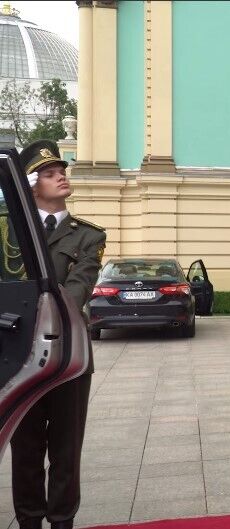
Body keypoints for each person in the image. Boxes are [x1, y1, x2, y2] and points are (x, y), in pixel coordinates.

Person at [11, 140, 106, 529]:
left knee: (66, 447)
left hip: (68, 353)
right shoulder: (11, 229)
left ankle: (62, 520)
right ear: (33, 185)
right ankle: (29, 520)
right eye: (50, 174)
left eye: (62, 171)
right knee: (26, 445)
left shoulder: (88, 235)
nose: (61, 177)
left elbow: (80, 286)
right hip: (19, 354)